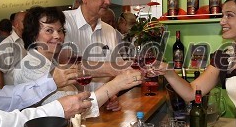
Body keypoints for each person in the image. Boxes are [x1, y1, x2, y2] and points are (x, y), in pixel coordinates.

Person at [14, 6, 142, 112]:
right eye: (49, 30)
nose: (57, 36)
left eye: (60, 30)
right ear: (33, 34)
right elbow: (73, 107)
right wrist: (116, 84)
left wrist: (108, 98)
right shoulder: (29, 67)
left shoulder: (53, 63)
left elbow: (81, 98)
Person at [62, 0, 123, 110]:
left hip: (101, 110)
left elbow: (115, 71)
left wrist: (111, 95)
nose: (108, 2)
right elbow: (67, 67)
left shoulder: (110, 31)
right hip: (71, 113)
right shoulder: (63, 24)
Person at [0, 11, 26, 88]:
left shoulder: (28, 42)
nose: (30, 25)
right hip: (13, 96)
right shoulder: (7, 45)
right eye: (25, 22)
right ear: (16, 24)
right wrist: (2, 96)